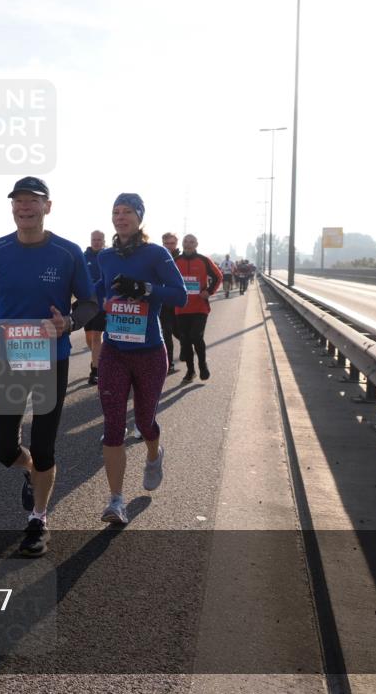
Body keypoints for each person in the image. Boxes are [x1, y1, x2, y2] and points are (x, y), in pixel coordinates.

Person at [0, 177, 97, 556]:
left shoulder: (68, 252)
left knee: (45, 445)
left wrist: (69, 322)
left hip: (52, 360)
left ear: (48, 207)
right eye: (19, 201)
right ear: (12, 207)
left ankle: (38, 518)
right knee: (4, 450)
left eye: (33, 201)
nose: (25, 207)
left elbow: (90, 303)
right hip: (12, 360)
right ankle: (30, 470)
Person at [95, 195, 187, 521]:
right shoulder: (105, 256)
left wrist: (144, 289)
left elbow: (179, 295)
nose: (120, 217)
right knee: (113, 426)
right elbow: (99, 289)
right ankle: (116, 501)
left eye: (127, 212)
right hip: (114, 351)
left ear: (139, 217)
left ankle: (154, 454)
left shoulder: (156, 254)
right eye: (115, 212)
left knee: (145, 422)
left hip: (149, 352)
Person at [175, 234, 222, 382]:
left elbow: (218, 276)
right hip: (181, 308)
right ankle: (190, 371)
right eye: (186, 241)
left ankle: (202, 364)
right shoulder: (175, 261)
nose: (188, 244)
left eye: (191, 242)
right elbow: (167, 279)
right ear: (182, 244)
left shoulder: (203, 260)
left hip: (200, 307)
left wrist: (209, 291)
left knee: (196, 336)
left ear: (196, 244)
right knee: (185, 340)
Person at [82, 230, 107, 385]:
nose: (96, 242)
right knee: (89, 338)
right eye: (94, 239)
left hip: (102, 304)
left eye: (99, 240)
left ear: (104, 241)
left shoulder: (108, 257)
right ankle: (97, 359)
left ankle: (95, 371)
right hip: (86, 303)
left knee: (97, 335)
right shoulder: (83, 257)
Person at [159, 232, 182, 373]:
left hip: (179, 303)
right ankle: (169, 363)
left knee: (179, 333)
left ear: (176, 244)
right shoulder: (158, 257)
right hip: (164, 303)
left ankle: (186, 348)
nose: (169, 246)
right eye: (166, 243)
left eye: (172, 243)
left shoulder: (181, 259)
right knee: (166, 333)